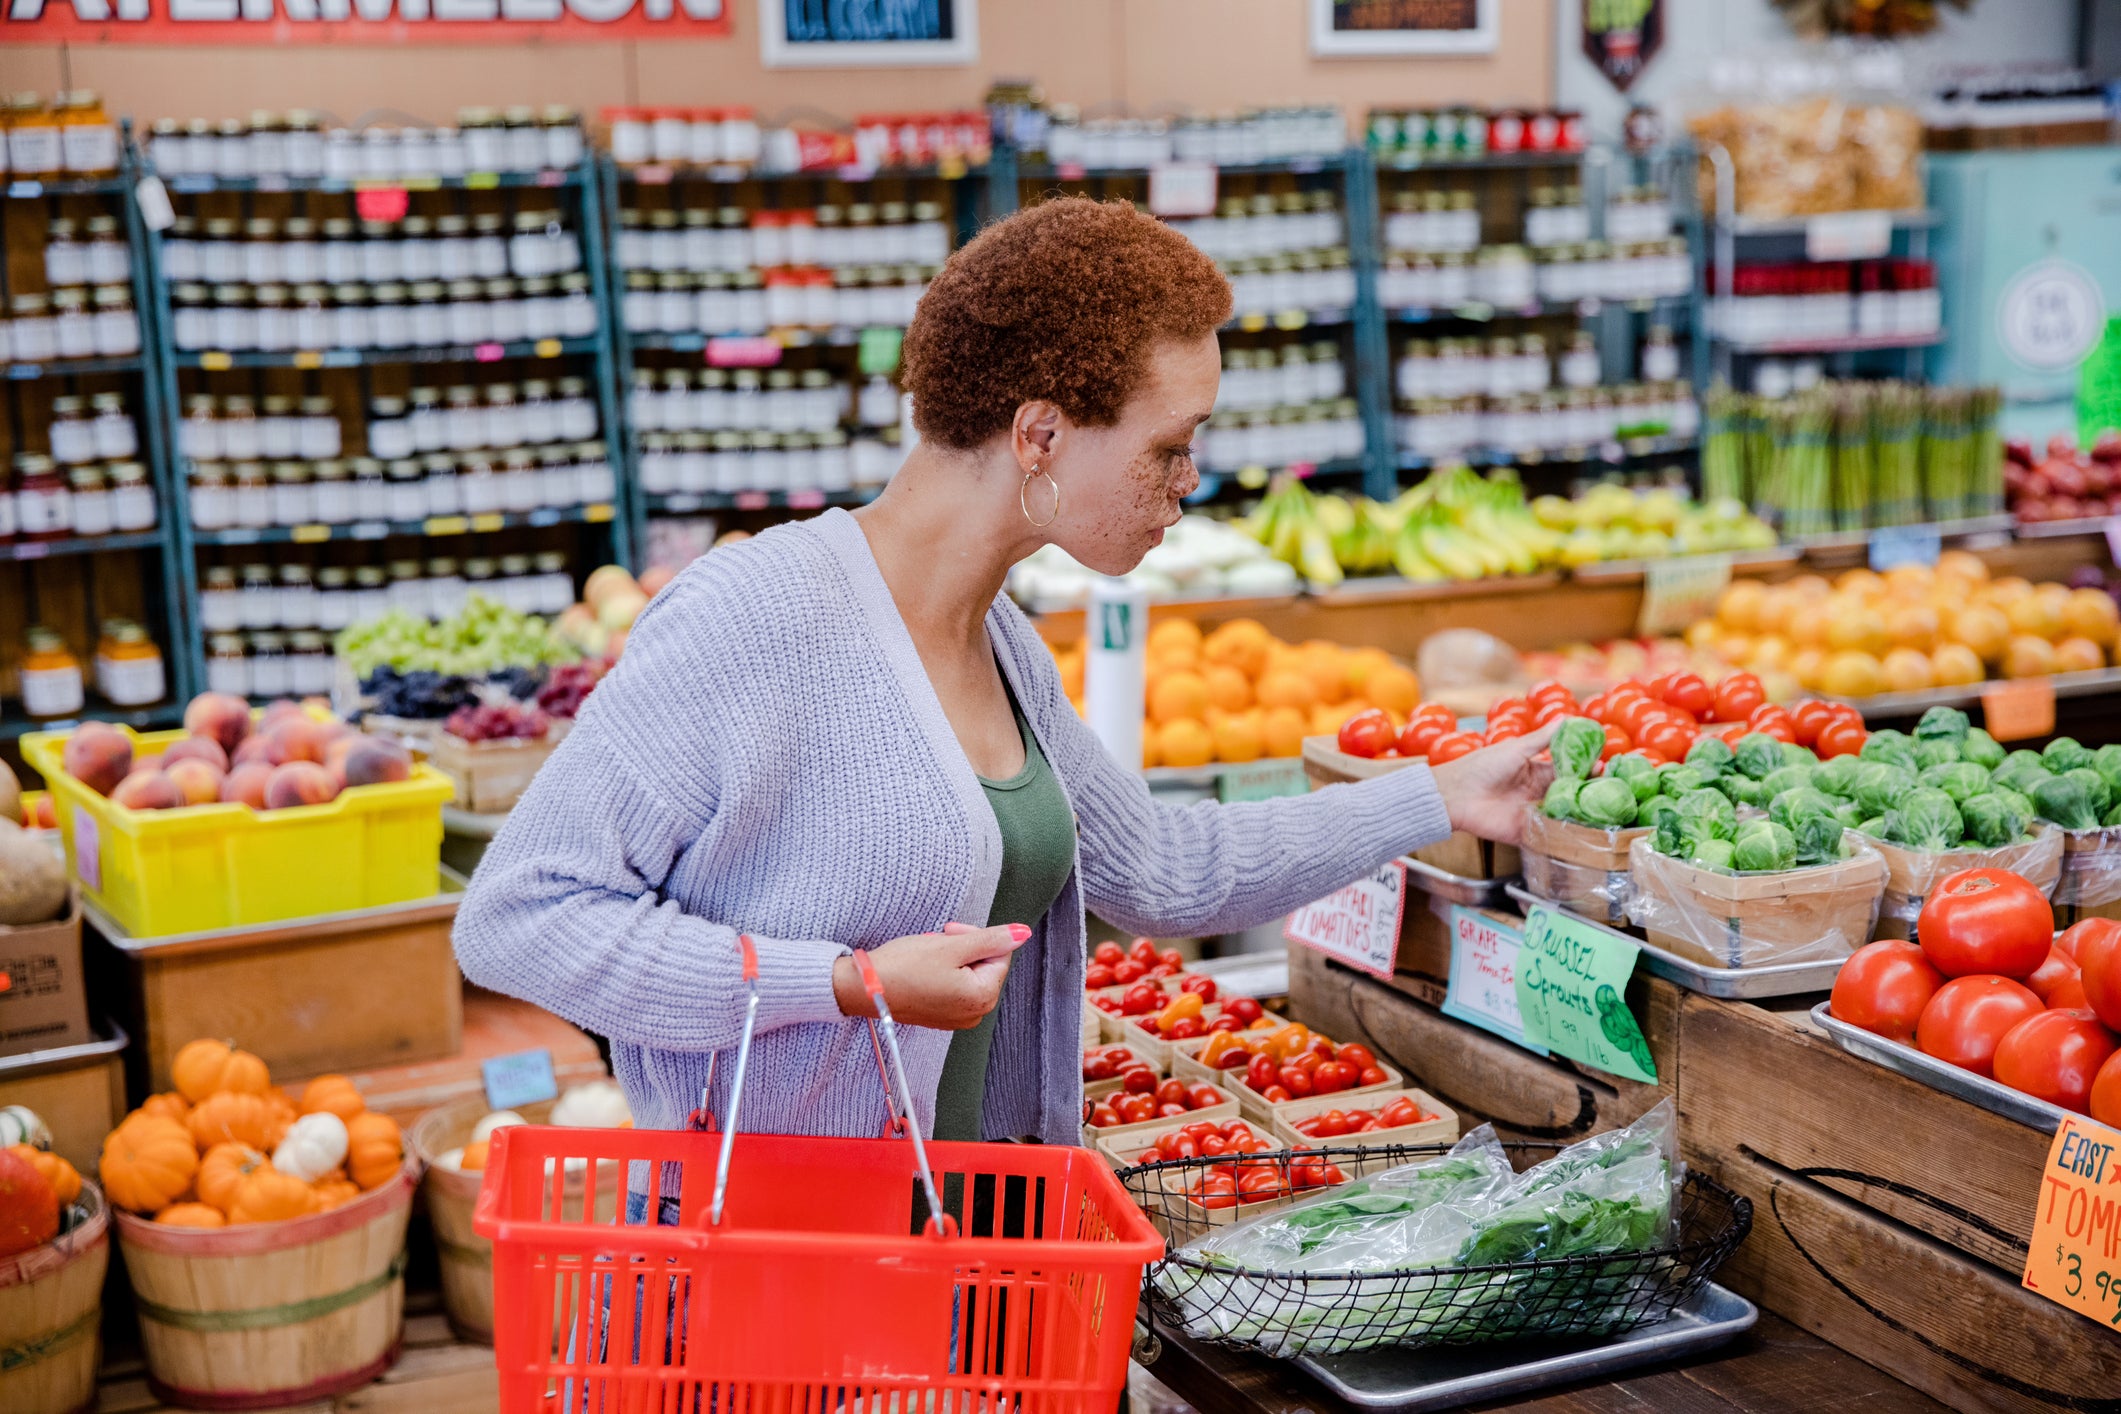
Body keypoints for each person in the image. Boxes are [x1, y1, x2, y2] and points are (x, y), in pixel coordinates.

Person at [452, 197, 1557, 1172]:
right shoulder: (756, 617)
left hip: (962, 1248)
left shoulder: (1001, 639)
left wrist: (1443, 795)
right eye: (1169, 446)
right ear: (1041, 435)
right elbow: (520, 917)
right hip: (789, 1272)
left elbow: (1167, 871)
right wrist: (845, 982)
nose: (1190, 481)